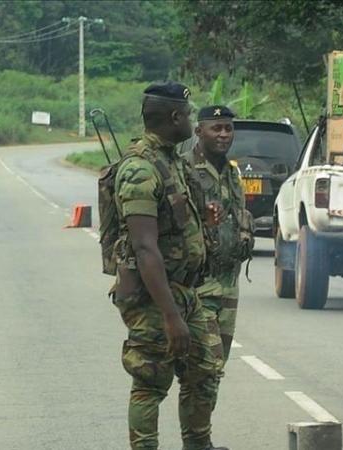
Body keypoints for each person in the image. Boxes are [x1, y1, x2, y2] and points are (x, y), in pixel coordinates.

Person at [112, 82, 226, 450]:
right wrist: (170, 316)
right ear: (175, 117)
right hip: (153, 296)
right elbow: (145, 247)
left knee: (204, 371)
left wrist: (204, 220)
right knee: (150, 379)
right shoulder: (140, 170)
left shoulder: (172, 161)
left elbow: (173, 224)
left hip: (185, 290)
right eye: (189, 115)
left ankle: (198, 444)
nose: (192, 121)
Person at [186, 106, 254, 406]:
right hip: (199, 288)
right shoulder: (184, 169)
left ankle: (197, 431)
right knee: (207, 368)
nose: (224, 134)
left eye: (228, 128)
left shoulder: (231, 172)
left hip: (228, 286)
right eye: (216, 128)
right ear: (199, 131)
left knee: (212, 372)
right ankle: (198, 432)